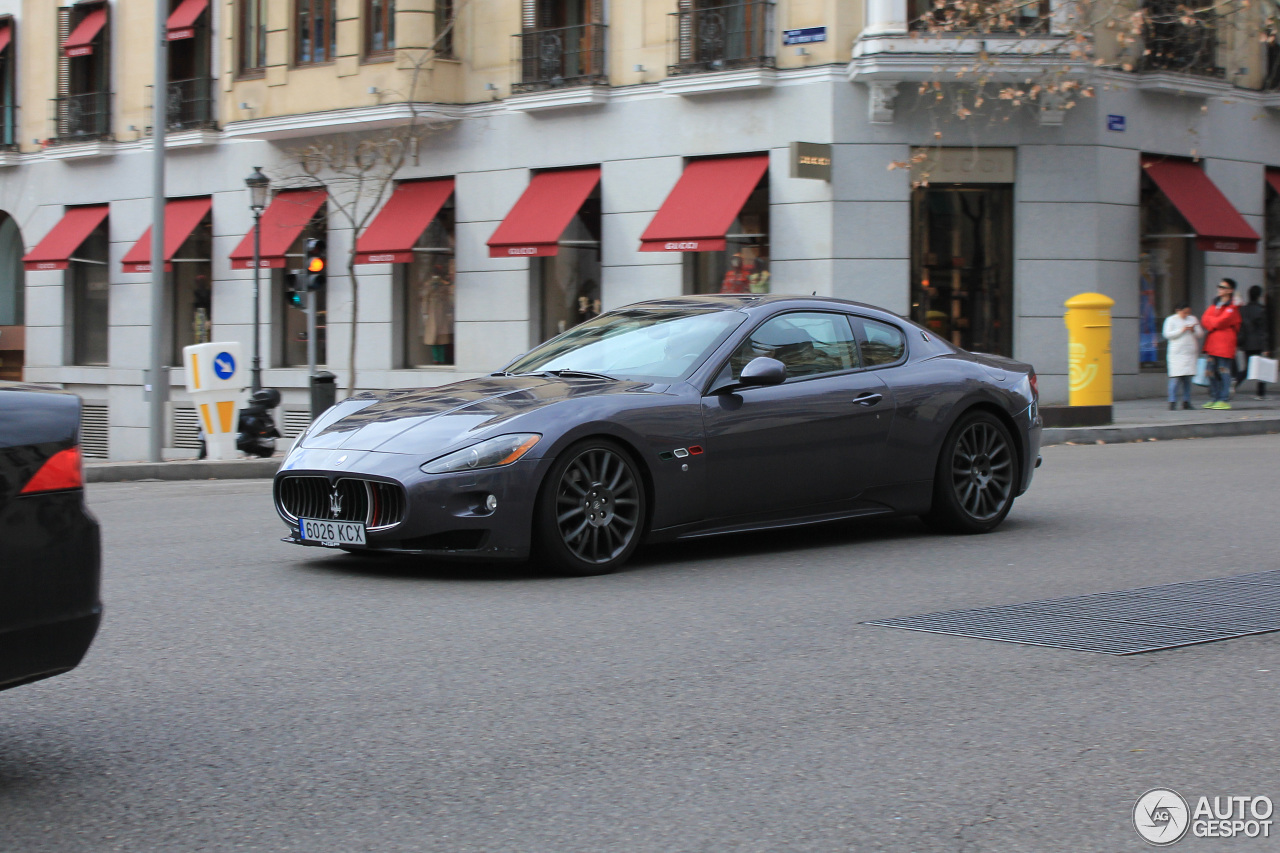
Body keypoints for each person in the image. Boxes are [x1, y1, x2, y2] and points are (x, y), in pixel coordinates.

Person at [1201, 278, 1242, 409]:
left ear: (1230, 290)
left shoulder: (1232, 308)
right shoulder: (1215, 305)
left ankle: (1223, 399)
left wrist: (1213, 322)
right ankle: (1215, 397)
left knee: (1223, 371)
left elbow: (1219, 322)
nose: (1219, 289)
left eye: (1223, 287)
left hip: (1225, 345)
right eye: (1219, 286)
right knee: (1210, 372)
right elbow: (1204, 320)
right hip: (1212, 345)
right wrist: (1214, 322)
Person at [1162, 302, 1201, 410]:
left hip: (1189, 352)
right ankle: (1172, 401)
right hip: (1177, 353)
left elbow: (1200, 333)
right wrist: (1181, 330)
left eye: (1188, 312)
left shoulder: (1192, 319)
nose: (1186, 315)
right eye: (1184, 312)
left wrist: (1193, 330)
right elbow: (1167, 334)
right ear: (1178, 310)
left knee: (1187, 378)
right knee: (1175, 378)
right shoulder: (1171, 320)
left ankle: (1186, 401)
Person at [1236, 284, 1271, 400]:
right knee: (1261, 368)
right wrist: (1265, 347)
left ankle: (1236, 381)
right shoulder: (1261, 310)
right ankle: (1261, 393)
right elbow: (1263, 329)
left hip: (1246, 343)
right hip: (1258, 343)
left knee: (1249, 368)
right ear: (1259, 296)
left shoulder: (1244, 309)